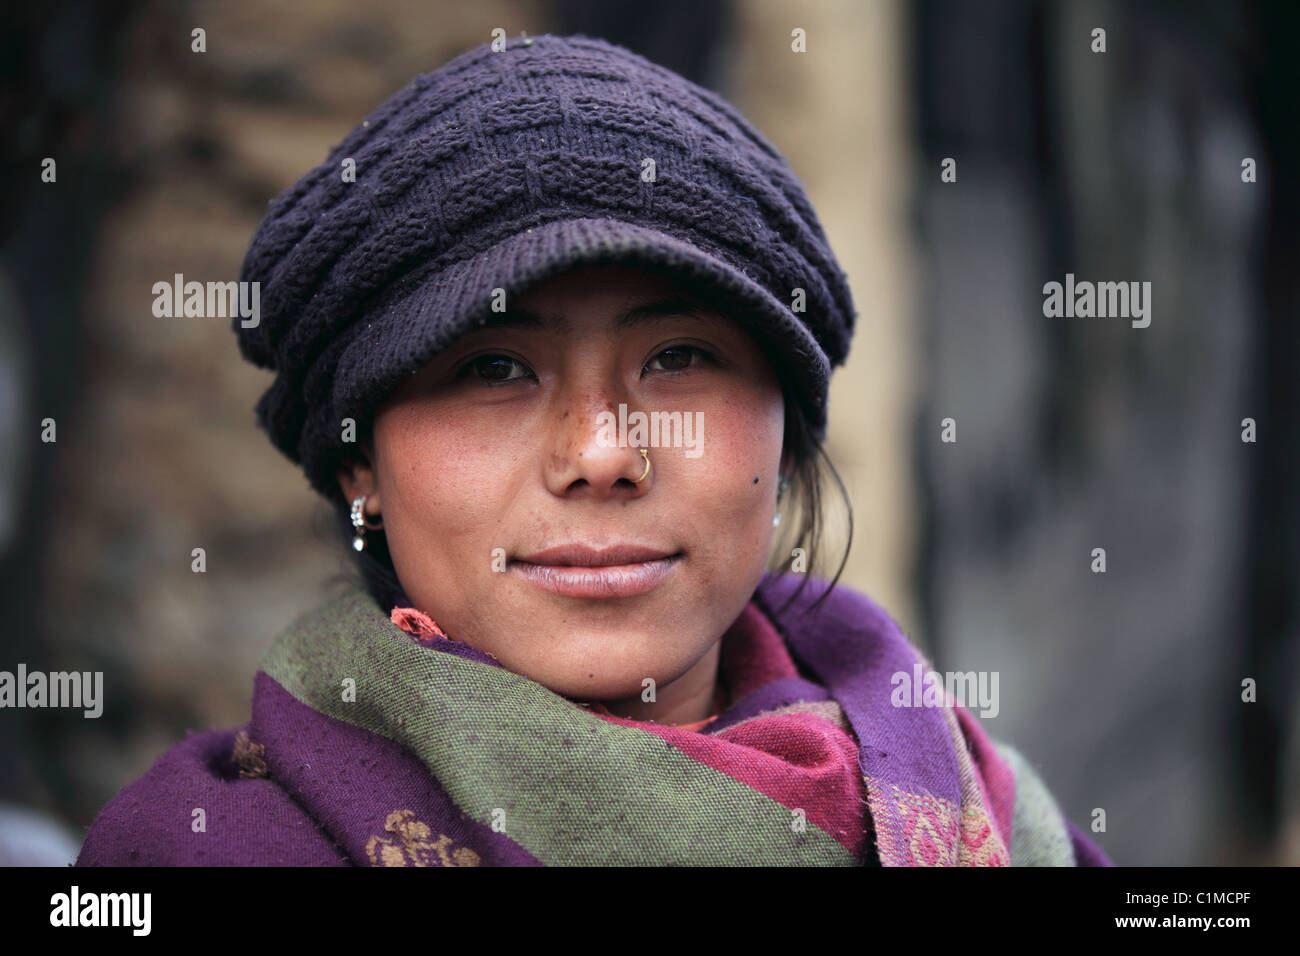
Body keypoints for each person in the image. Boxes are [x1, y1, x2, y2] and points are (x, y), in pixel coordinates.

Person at [76, 33, 1110, 867]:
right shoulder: (203, 851)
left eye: (678, 356)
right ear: (360, 465)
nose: (604, 451)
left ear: (786, 436)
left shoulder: (991, 818)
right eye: (491, 368)